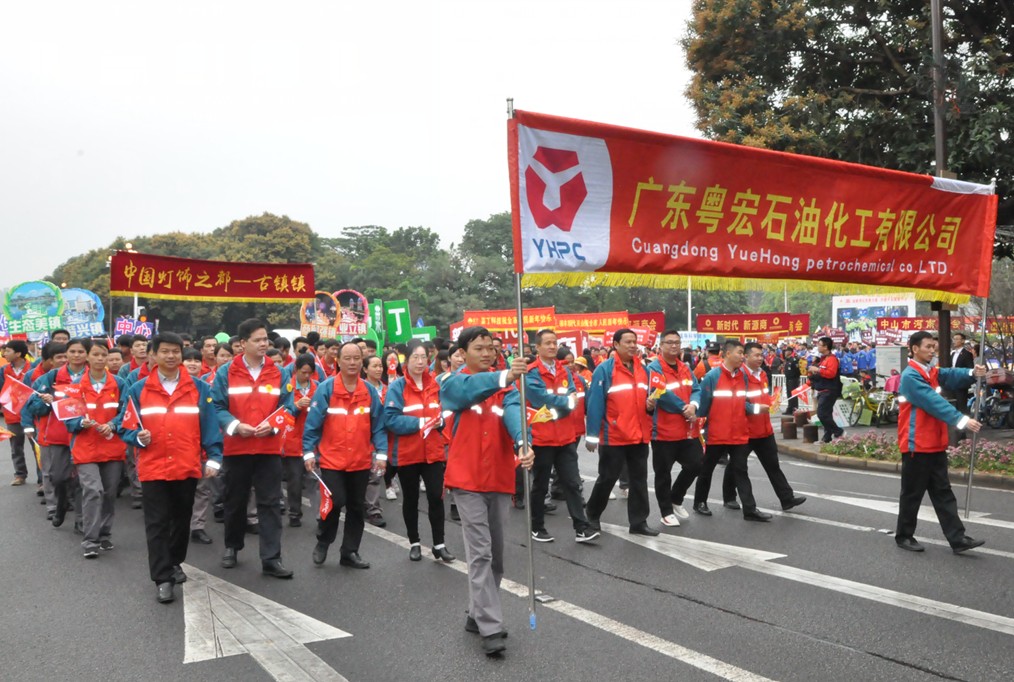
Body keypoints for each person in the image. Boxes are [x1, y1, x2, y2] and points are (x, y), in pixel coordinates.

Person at [440, 326, 534, 656]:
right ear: (462, 352)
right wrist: (505, 375)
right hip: (466, 480)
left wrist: (523, 442)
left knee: (496, 556)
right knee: (479, 552)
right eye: (479, 348)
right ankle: (491, 626)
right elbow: (467, 392)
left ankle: (475, 612)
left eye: (490, 348)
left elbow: (514, 412)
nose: (486, 353)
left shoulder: (506, 385)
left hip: (498, 477)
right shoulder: (452, 382)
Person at [120, 332, 223, 603]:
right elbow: (126, 425)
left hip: (186, 465)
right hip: (153, 467)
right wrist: (136, 437)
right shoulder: (138, 389)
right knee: (156, 524)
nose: (171, 356)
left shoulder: (199, 388)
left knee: (181, 519)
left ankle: (175, 560)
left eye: (175, 351)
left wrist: (213, 457)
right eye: (164, 351)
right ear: (153, 354)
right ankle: (162, 578)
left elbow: (210, 425)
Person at [212, 318, 295, 579]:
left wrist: (273, 426)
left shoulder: (279, 373)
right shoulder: (226, 372)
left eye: (265, 340)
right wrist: (236, 426)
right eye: (258, 340)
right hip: (237, 448)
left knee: (270, 503)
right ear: (242, 343)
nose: (264, 344)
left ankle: (271, 558)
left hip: (268, 449)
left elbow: (289, 407)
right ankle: (232, 546)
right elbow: (216, 407)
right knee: (234, 501)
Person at [895, 331, 986, 554]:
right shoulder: (911, 376)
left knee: (943, 492)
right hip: (916, 444)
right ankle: (904, 536)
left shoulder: (930, 371)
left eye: (933, 346)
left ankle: (957, 539)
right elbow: (933, 402)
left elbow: (950, 374)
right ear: (915, 349)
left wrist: (972, 371)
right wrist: (962, 420)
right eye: (928, 346)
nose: (932, 350)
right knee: (912, 493)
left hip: (934, 443)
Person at [302, 341, 387, 570]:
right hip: (332, 460)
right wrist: (309, 453)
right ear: (338, 361)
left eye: (356, 358)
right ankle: (323, 540)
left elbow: (378, 426)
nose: (352, 362)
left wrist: (382, 454)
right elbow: (312, 425)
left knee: (356, 507)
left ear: (362, 361)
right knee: (335, 501)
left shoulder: (368, 391)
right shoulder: (327, 389)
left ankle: (349, 552)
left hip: (360, 460)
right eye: (347, 358)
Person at [385, 340, 456, 561]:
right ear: (406, 359)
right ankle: (414, 542)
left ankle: (439, 544)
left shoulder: (435, 384)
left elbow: (443, 414)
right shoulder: (397, 386)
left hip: (433, 451)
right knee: (411, 498)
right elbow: (390, 420)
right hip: (408, 452)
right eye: (415, 357)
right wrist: (420, 423)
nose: (419, 361)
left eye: (423, 357)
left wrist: (439, 422)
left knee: (436, 496)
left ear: (429, 359)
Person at [525, 330, 598, 544]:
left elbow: (573, 395)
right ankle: (537, 527)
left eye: (554, 343)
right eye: (547, 343)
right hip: (542, 438)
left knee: (572, 483)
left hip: (565, 437)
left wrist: (562, 403)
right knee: (540, 484)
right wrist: (565, 402)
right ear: (537, 347)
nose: (552, 346)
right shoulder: (531, 372)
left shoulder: (564, 370)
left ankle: (581, 527)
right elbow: (539, 399)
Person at [584, 328, 657, 536]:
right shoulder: (604, 370)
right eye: (628, 342)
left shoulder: (645, 370)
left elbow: (648, 400)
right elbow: (595, 404)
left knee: (639, 481)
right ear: (616, 345)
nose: (633, 345)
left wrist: (650, 405)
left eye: (635, 341)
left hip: (639, 435)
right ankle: (592, 514)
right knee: (607, 478)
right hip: (613, 436)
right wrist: (591, 436)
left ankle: (639, 522)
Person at [693, 340, 772, 522]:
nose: (742, 356)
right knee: (707, 469)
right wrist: (701, 426)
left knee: (741, 470)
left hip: (738, 433)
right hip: (717, 433)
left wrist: (755, 409)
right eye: (739, 352)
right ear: (727, 354)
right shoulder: (712, 376)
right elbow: (703, 407)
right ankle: (700, 502)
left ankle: (750, 509)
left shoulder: (742, 376)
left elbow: (742, 402)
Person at [66, 340, 127, 558]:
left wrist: (112, 425)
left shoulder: (119, 383)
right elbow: (68, 419)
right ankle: (90, 540)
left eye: (104, 355)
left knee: (110, 493)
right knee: (93, 490)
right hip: (85, 448)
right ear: (87, 358)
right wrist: (79, 423)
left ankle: (104, 534)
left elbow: (126, 411)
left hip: (112, 447)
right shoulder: (74, 386)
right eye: (96, 355)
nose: (100, 359)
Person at [24, 340, 86, 530]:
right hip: (57, 437)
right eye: (71, 352)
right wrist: (46, 402)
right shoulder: (50, 378)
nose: (76, 356)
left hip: (85, 435)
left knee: (83, 479)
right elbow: (32, 406)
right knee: (58, 477)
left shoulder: (93, 377)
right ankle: (60, 506)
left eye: (81, 351)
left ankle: (81, 519)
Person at [645, 330, 702, 527]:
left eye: (677, 342)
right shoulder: (653, 368)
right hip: (663, 430)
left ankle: (676, 497)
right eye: (669, 342)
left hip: (687, 428)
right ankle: (666, 511)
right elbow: (660, 393)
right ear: (660, 346)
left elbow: (696, 389)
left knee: (696, 464)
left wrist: (693, 405)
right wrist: (683, 408)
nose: (674, 346)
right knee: (663, 473)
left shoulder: (685, 367)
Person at [742, 343, 806, 512]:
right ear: (745, 356)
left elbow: (763, 397)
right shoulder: (740, 375)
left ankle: (787, 499)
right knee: (738, 468)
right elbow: (739, 403)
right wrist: (756, 409)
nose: (760, 358)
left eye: (761, 355)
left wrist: (772, 401)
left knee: (773, 465)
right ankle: (729, 497)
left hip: (764, 429)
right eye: (756, 355)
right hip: (746, 431)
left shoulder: (763, 373)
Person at [281, 353, 318, 528]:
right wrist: (296, 407)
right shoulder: (287, 388)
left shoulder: (317, 387)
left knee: (314, 479)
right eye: (303, 372)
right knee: (294, 480)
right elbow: (282, 415)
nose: (306, 376)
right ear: (296, 370)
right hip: (292, 440)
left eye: (309, 373)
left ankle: (321, 512)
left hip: (312, 440)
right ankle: (294, 513)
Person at [2, 340, 34, 486]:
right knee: (16, 447)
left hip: (31, 414)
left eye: (7, 351)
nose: (4, 354)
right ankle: (20, 474)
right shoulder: (2, 370)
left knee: (36, 445)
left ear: (18, 354)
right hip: (11, 415)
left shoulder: (33, 369)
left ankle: (42, 478)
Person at [809, 336, 843, 443]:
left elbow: (831, 374)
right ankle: (826, 438)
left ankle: (839, 432)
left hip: (829, 390)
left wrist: (817, 370)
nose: (817, 346)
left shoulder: (832, 359)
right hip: (823, 390)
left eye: (819, 344)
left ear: (826, 346)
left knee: (822, 414)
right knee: (826, 415)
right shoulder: (823, 359)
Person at [949, 332, 975, 415]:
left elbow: (970, 368)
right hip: (951, 381)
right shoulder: (952, 353)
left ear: (963, 341)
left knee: (961, 403)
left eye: (957, 339)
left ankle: (964, 423)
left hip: (961, 382)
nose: (954, 341)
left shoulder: (967, 354)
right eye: (954, 339)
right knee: (953, 402)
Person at [782, 346, 802, 415]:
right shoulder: (787, 360)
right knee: (789, 394)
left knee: (793, 395)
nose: (785, 352)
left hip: (793, 380)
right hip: (788, 379)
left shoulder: (793, 360)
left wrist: (796, 379)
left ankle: (794, 409)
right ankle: (789, 408)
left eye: (786, 351)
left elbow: (797, 371)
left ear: (790, 352)